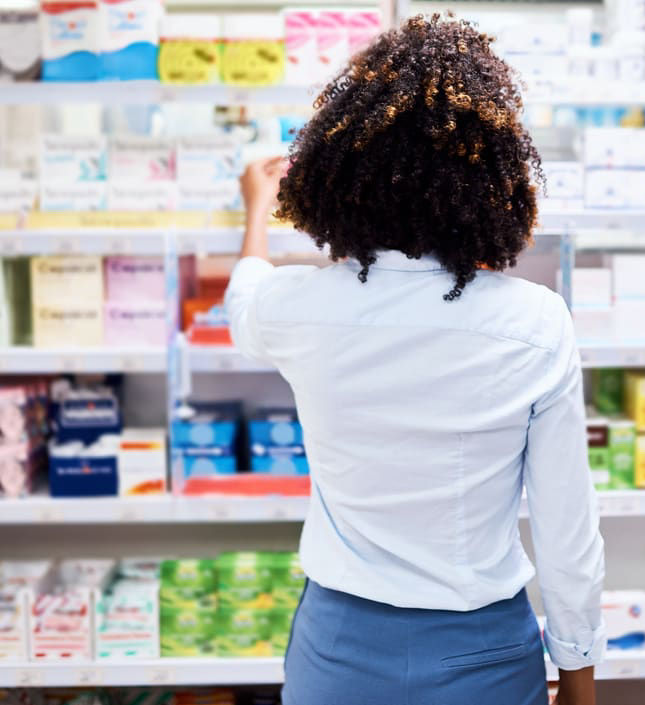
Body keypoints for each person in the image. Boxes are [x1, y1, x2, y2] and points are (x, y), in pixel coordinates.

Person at [227, 14, 605, 705]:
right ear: (493, 179)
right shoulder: (533, 323)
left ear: (341, 172)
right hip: (482, 655)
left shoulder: (300, 307)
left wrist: (257, 209)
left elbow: (243, 297)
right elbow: (565, 527)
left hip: (337, 652)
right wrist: (577, 677)